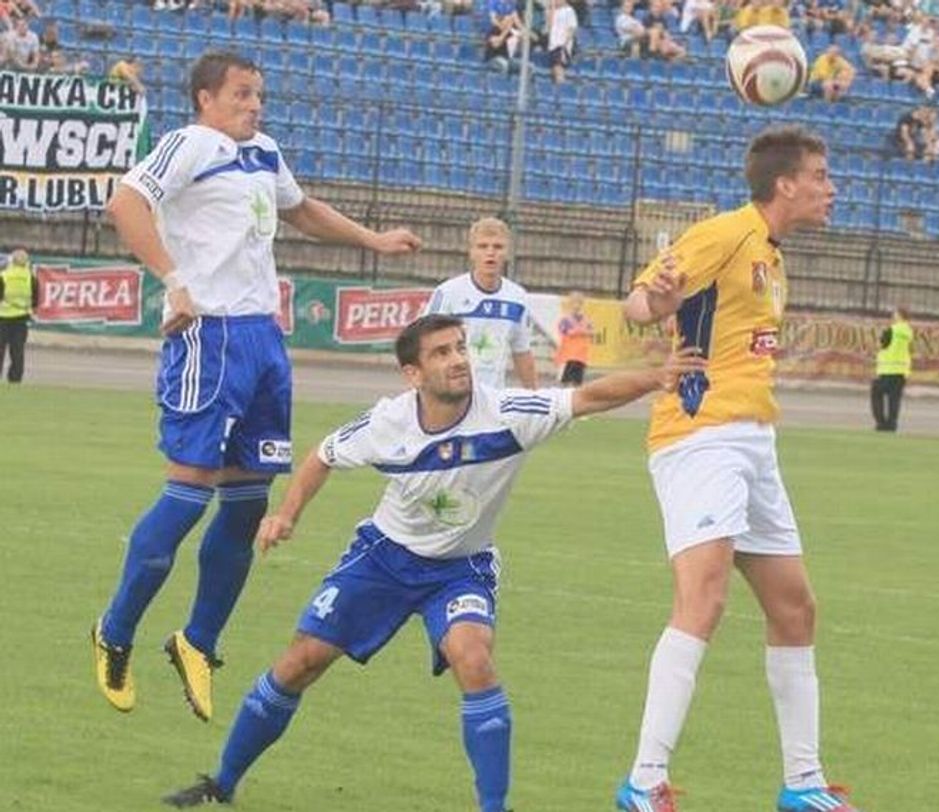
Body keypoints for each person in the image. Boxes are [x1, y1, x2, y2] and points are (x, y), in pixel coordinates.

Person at [160, 314, 706, 810]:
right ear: (413, 374)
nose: (458, 359)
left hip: (461, 569)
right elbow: (322, 455)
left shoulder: (509, 414)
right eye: (442, 352)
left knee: (474, 658)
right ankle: (221, 783)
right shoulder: (388, 422)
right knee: (302, 661)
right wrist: (286, 515)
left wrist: (657, 377)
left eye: (460, 347)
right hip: (383, 558)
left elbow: (588, 396)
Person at [91, 51, 422, 723]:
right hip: (208, 335)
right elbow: (124, 202)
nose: (254, 105)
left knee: (247, 505)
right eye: (242, 94)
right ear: (205, 98)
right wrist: (174, 281)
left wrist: (373, 239)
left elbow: (303, 210)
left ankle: (197, 641)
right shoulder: (188, 144)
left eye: (259, 95)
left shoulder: (263, 152)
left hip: (263, 339)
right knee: (187, 495)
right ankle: (115, 630)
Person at [613, 126, 862, 812]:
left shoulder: (772, 255)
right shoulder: (725, 232)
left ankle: (803, 784)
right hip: (701, 438)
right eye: (820, 175)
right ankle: (644, 780)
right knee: (704, 600)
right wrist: (658, 301)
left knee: (795, 609)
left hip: (753, 441)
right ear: (785, 184)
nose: (830, 187)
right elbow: (641, 302)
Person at [424, 217, 537, 390]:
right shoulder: (448, 293)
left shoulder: (517, 297)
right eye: (483, 246)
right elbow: (425, 343)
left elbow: (522, 352)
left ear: (507, 252)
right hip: (451, 394)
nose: (490, 253)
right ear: (472, 252)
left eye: (498, 247)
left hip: (492, 397)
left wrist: (535, 396)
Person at [870, 306, 912, 432]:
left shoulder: (892, 330)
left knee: (876, 393)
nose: (893, 316)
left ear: (899, 315)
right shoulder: (909, 332)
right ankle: (892, 424)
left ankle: (881, 423)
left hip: (887, 369)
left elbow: (881, 345)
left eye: (895, 314)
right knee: (894, 399)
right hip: (901, 371)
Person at [0, 248, 37, 384]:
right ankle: (15, 380)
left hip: (2, 317)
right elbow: (35, 300)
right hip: (21, 319)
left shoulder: (4, 276)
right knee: (17, 352)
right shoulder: (30, 278)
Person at [555, 290, 595, 386]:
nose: (577, 306)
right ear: (569, 304)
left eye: (579, 303)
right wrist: (578, 331)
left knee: (577, 381)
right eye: (574, 303)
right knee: (565, 380)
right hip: (568, 355)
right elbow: (563, 331)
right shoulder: (565, 319)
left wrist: (584, 332)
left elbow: (592, 332)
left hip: (581, 355)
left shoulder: (586, 320)